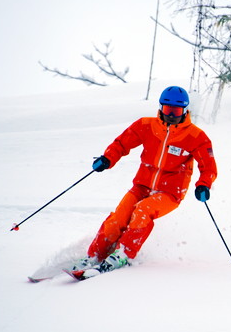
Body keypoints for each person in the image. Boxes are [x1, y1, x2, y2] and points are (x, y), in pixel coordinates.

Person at [75, 85, 217, 274]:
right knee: (119, 216)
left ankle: (124, 254)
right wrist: (107, 158)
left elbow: (208, 167)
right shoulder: (146, 125)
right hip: (142, 186)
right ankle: (95, 255)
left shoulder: (195, 136)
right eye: (168, 110)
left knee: (143, 210)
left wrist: (203, 185)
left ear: (185, 111)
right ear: (160, 108)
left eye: (176, 111)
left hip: (170, 193)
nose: (171, 115)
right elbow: (122, 143)